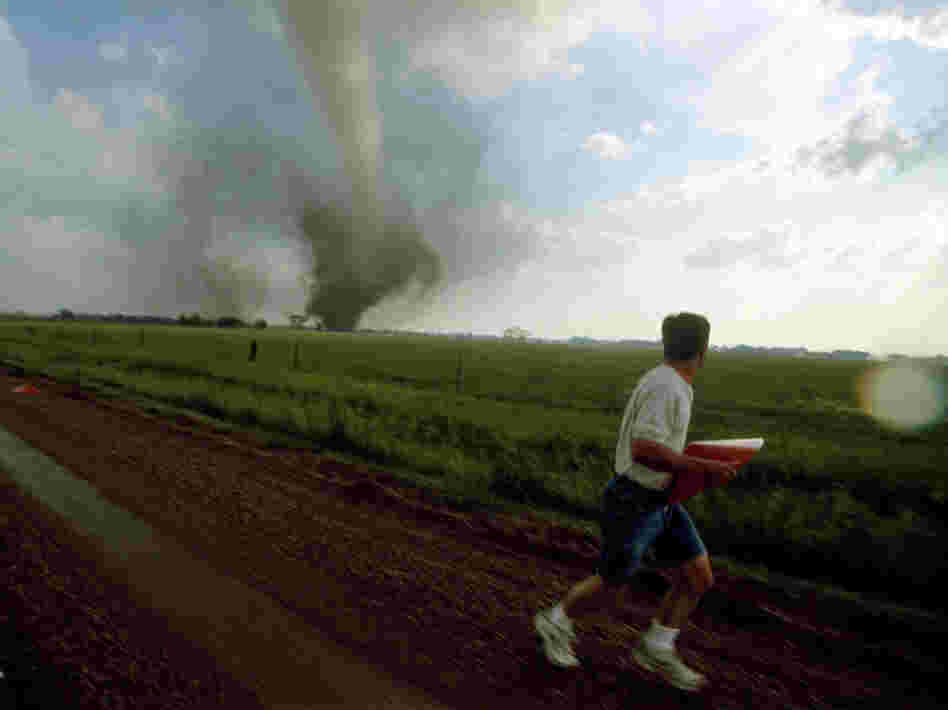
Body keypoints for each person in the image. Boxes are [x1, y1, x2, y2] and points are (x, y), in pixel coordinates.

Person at [534, 312, 738, 692]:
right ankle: (555, 622)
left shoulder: (669, 381)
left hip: (662, 498)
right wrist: (704, 466)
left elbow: (655, 450)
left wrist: (693, 471)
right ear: (703, 350)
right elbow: (644, 449)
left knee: (697, 575)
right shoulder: (667, 387)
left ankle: (656, 649)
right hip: (634, 499)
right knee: (613, 581)